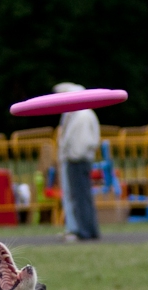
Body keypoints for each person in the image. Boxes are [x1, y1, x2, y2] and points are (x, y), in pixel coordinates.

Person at [53, 82, 100, 241]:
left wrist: (73, 155)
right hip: (76, 160)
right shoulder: (75, 114)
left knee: (80, 197)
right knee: (79, 196)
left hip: (78, 161)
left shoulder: (82, 115)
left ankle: (84, 231)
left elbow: (82, 142)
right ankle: (84, 229)